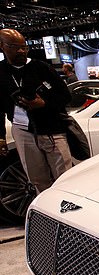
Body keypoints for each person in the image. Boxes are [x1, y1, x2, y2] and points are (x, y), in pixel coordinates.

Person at [0, 28, 73, 193]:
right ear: (2, 46)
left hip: (51, 129)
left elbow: (65, 96)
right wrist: (1, 138)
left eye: (24, 47)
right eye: (14, 46)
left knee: (65, 177)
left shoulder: (42, 68)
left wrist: (44, 104)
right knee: (37, 179)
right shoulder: (1, 72)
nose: (20, 51)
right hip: (21, 130)